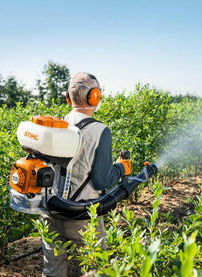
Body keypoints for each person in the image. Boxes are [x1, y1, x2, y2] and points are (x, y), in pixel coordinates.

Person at [41, 72, 131, 277]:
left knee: (52, 270)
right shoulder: (100, 131)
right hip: (82, 215)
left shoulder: (56, 125)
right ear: (95, 96)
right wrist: (121, 168)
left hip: (51, 211)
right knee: (94, 269)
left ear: (68, 97)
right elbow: (101, 180)